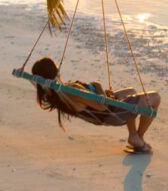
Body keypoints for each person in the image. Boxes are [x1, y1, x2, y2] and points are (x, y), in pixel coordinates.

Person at [30, 57, 160, 153]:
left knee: (131, 91)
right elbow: (102, 106)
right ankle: (139, 138)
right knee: (155, 98)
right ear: (55, 72)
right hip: (111, 113)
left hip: (99, 114)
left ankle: (133, 135)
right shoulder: (71, 92)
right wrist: (98, 86)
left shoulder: (50, 92)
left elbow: (35, 81)